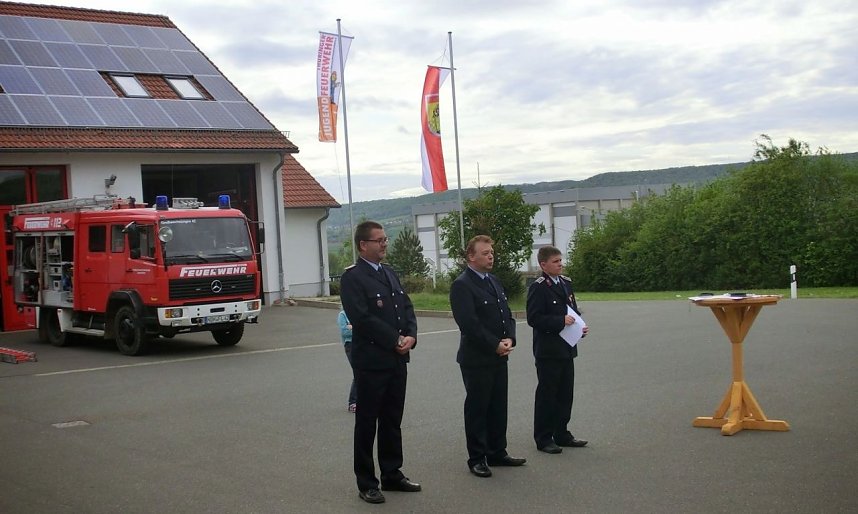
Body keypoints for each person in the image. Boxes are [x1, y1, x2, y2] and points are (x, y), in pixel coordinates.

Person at [340, 220, 421, 504]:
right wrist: (394, 340)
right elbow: (362, 318)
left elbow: (406, 307)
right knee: (367, 422)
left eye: (385, 239)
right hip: (373, 361)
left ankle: (392, 473)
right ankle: (366, 482)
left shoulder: (389, 273)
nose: (385, 244)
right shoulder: (352, 278)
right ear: (364, 245)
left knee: (392, 419)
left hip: (397, 361)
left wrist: (410, 334)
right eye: (380, 240)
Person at [449, 235, 526, 478]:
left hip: (499, 355)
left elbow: (507, 315)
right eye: (485, 253)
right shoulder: (462, 284)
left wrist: (510, 339)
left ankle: (497, 451)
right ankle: (477, 457)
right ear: (471, 256)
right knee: (478, 408)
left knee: (497, 406)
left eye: (491, 252)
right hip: (477, 358)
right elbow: (469, 324)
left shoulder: (493, 281)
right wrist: (494, 344)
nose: (490, 256)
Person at [526, 245, 589, 454]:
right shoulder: (538, 287)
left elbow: (573, 309)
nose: (560, 264)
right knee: (547, 394)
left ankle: (562, 432)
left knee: (565, 393)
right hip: (548, 349)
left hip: (567, 347)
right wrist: (559, 320)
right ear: (543, 265)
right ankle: (544, 437)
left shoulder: (566, 283)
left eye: (560, 260)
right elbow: (534, 318)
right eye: (555, 262)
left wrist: (580, 327)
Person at [337, 309, 357, 413]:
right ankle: (352, 402)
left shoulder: (358, 312)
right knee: (358, 373)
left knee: (365, 373)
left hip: (361, 345)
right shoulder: (343, 315)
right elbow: (345, 332)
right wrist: (358, 329)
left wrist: (353, 327)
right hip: (350, 345)